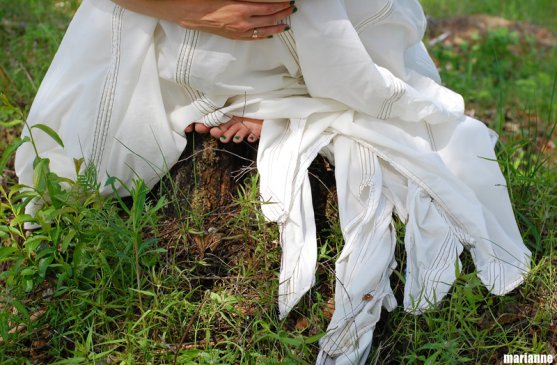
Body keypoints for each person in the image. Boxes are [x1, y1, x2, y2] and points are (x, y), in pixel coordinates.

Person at [15, 0, 531, 364]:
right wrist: (191, 9)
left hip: (297, 24)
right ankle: (241, 86)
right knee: (81, 150)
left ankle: (287, 90)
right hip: (170, 12)